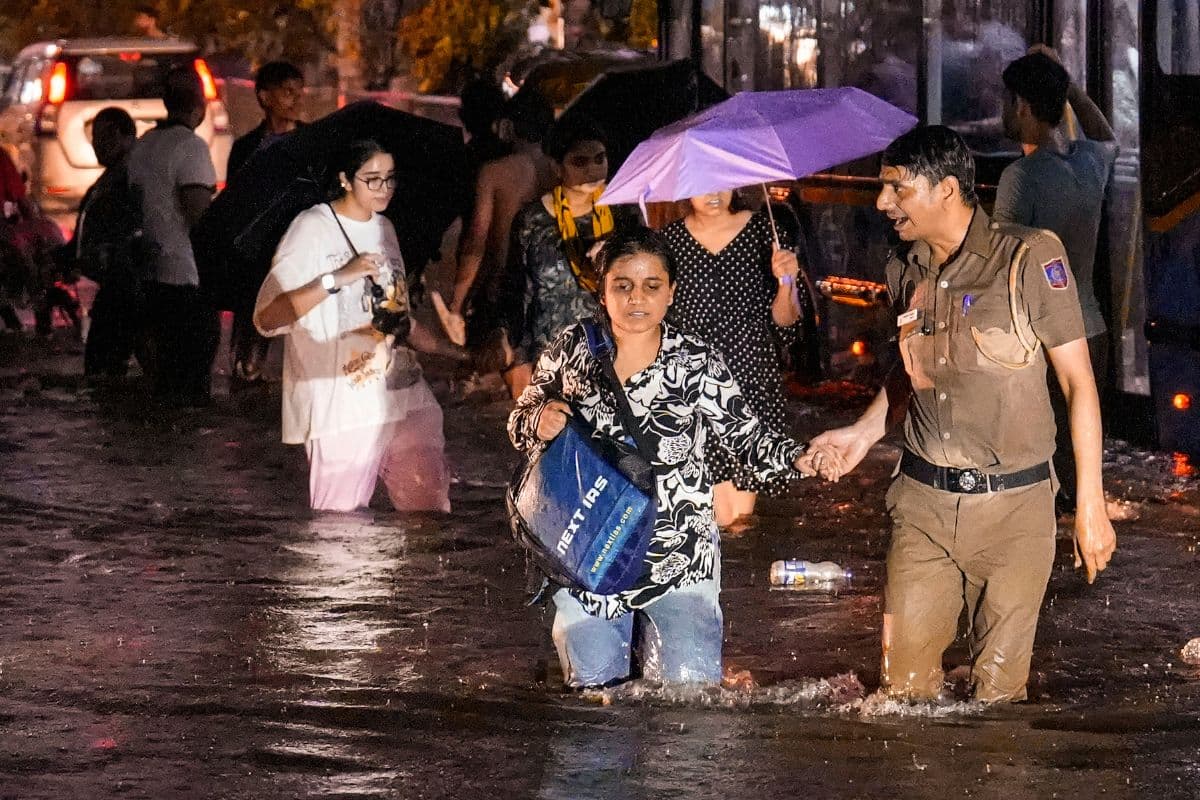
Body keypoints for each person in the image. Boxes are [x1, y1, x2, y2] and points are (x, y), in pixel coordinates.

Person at [804, 126, 1116, 703]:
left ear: (947, 188)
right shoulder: (904, 268)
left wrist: (1090, 506)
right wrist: (864, 432)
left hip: (1015, 515)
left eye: (896, 188)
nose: (881, 203)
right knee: (902, 699)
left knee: (997, 705)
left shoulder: (1028, 257)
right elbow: (911, 372)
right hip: (922, 508)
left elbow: (1078, 384)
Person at [508, 226, 814, 688]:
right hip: (590, 554)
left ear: (671, 292)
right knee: (595, 710)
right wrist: (539, 419)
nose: (637, 299)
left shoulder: (696, 361)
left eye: (652, 286)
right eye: (622, 286)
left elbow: (745, 439)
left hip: (681, 557)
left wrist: (802, 457)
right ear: (602, 290)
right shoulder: (573, 348)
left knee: (690, 711)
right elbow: (520, 419)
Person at [254, 139, 456, 513]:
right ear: (346, 180)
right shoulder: (312, 228)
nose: (383, 190)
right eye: (372, 180)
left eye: (390, 180)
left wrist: (458, 354)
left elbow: (397, 318)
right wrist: (337, 278)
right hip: (340, 405)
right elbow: (269, 316)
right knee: (341, 532)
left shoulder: (386, 229)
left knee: (429, 515)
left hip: (400, 393)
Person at [995, 47, 1117, 512]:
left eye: (1007, 101)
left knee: (1039, 479)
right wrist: (1068, 87)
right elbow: (1107, 136)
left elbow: (1000, 262)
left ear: (1022, 106)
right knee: (1075, 467)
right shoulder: (1088, 163)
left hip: (1040, 341)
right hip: (1091, 330)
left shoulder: (1020, 178)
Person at [663, 191, 805, 527]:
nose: (713, 193)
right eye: (702, 182)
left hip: (750, 378)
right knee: (711, 514)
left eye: (720, 182)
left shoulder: (764, 231)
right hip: (693, 380)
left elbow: (786, 323)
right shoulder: (667, 242)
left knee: (740, 517)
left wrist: (787, 282)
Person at [430, 90, 556, 398]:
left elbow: (476, 242)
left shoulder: (496, 173)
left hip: (506, 288)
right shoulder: (563, 171)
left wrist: (458, 304)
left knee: (513, 381)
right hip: (552, 288)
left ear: (509, 128)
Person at [508, 114, 639, 392]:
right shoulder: (534, 219)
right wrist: (518, 356)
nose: (593, 170)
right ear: (557, 167)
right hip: (552, 355)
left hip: (612, 350)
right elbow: (519, 290)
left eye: (599, 159)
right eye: (580, 162)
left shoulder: (621, 212)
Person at [127, 67, 218, 405]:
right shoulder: (191, 147)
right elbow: (199, 214)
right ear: (200, 104)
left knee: (163, 386)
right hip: (187, 279)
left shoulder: (144, 145)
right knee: (192, 390)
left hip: (151, 277)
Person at [226, 60, 307, 383]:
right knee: (248, 358)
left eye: (300, 93)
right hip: (258, 260)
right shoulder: (246, 149)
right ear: (264, 97)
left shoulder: (311, 144)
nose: (297, 100)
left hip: (301, 255)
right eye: (288, 93)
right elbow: (235, 207)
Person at [74, 107, 145, 379]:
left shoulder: (130, 178)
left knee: (102, 369)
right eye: (95, 136)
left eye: (107, 135)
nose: (98, 144)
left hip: (127, 289)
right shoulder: (111, 179)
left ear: (127, 136)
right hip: (117, 287)